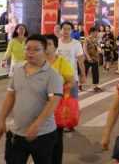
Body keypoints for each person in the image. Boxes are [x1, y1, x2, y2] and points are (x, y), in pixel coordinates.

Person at [0, 35, 63, 164]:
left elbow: (53, 102)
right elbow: (11, 95)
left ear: (45, 51)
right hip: (17, 133)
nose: (30, 52)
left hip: (43, 134)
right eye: (27, 49)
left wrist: (36, 125)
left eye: (36, 49)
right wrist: (1, 119)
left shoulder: (52, 75)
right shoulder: (18, 69)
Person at [45, 34, 74, 164]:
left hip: (56, 107)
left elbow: (71, 82)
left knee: (56, 139)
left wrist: (58, 91)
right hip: (39, 107)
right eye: (44, 43)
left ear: (55, 47)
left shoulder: (62, 62)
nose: (46, 46)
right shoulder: (37, 62)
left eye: (49, 44)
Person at [56, 22, 86, 101]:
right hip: (57, 78)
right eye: (64, 29)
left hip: (72, 77)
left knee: (72, 101)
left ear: (72, 31)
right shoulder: (56, 43)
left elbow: (80, 61)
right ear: (61, 30)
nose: (66, 31)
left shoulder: (76, 43)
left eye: (69, 29)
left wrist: (83, 75)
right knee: (58, 102)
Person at [84, 27, 102, 92]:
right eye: (96, 32)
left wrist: (99, 49)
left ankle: (95, 86)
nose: (97, 33)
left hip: (95, 58)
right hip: (87, 59)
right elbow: (85, 49)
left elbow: (97, 47)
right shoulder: (87, 39)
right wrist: (88, 57)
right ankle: (79, 85)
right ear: (92, 32)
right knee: (84, 72)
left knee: (95, 73)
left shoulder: (95, 39)